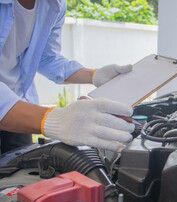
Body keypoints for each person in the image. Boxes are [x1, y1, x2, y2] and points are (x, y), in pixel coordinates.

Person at [0, 0, 135, 153]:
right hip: (9, 107)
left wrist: (93, 75)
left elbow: (47, 58)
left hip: (20, 103)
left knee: (17, 172)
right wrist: (55, 119)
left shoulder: (54, 5)